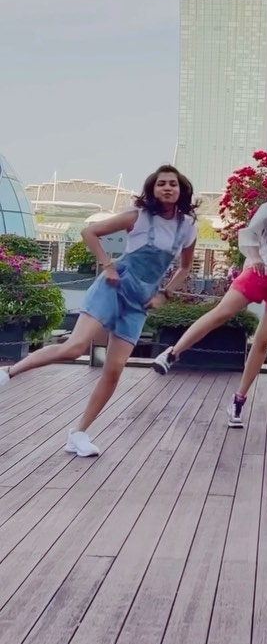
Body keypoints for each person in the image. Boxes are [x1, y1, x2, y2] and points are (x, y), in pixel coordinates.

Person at [0, 165, 197, 456]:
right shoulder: (138, 217)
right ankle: (9, 373)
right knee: (74, 347)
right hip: (113, 286)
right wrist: (107, 264)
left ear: (181, 190)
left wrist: (164, 294)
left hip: (139, 301)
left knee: (114, 370)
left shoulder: (187, 226)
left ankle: (78, 434)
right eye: (161, 184)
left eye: (173, 184)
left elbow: (185, 265)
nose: (167, 188)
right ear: (152, 190)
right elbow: (89, 231)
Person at [153, 165, 267, 429]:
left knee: (262, 342)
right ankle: (172, 353)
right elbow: (248, 235)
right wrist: (255, 257)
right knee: (220, 313)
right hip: (262, 271)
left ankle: (238, 400)